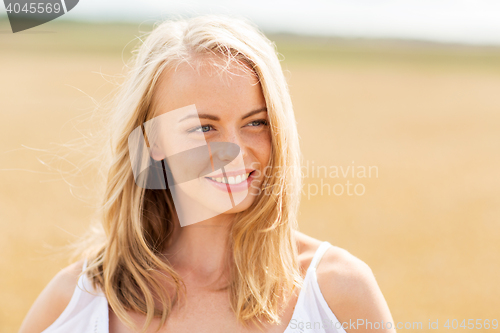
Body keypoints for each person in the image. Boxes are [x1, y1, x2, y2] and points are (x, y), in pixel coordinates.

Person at [19, 14, 396, 333]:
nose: (234, 151)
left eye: (256, 122)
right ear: (152, 141)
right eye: (203, 128)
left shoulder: (338, 293)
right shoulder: (76, 302)